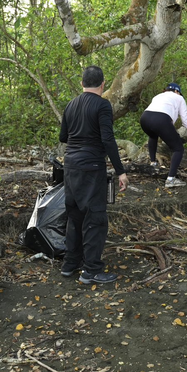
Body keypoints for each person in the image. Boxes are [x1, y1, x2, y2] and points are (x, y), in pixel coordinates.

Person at [59, 66, 129, 284]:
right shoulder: (102, 105)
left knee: (75, 215)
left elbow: (63, 137)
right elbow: (107, 139)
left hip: (70, 166)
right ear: (103, 84)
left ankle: (71, 263)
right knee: (95, 217)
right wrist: (121, 171)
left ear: (82, 83)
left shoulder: (71, 105)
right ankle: (91, 270)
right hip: (91, 166)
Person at [139, 82, 187, 188]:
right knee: (178, 149)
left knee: (153, 136)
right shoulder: (179, 98)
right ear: (177, 91)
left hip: (144, 118)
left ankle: (153, 163)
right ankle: (170, 179)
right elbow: (185, 119)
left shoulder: (158, 96)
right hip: (161, 120)